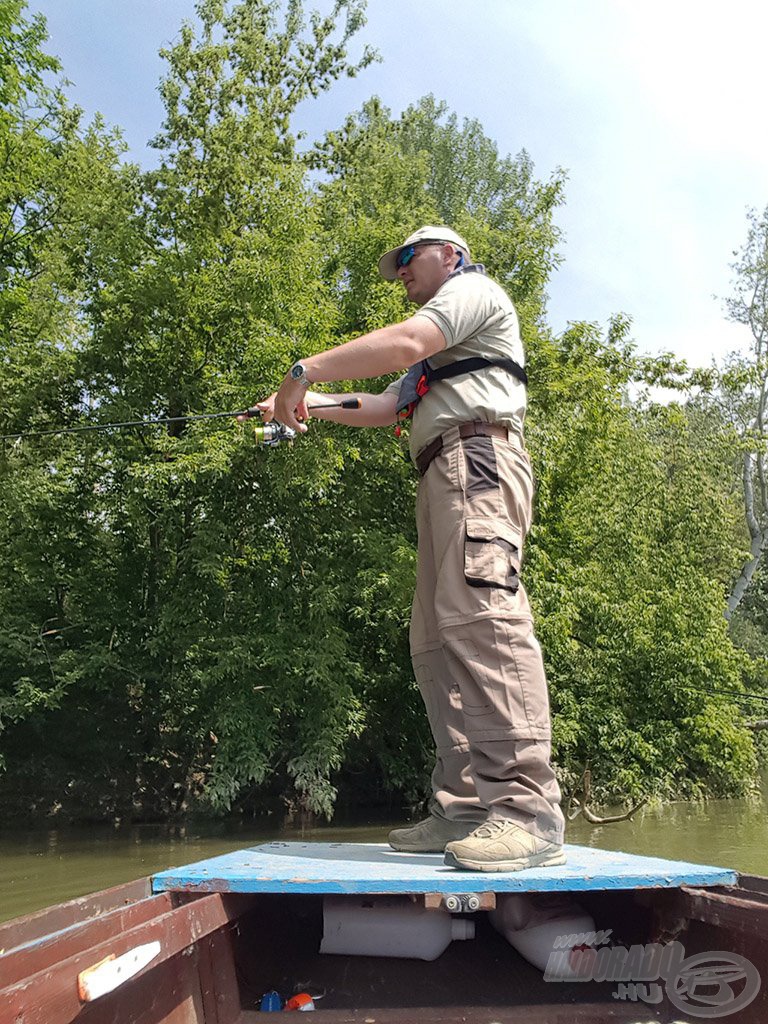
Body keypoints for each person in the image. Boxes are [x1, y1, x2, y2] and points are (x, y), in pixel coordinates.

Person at [257, 226, 565, 872]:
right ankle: (465, 806)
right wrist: (300, 402)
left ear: (449, 255)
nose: (399, 272)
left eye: (407, 259)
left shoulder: (470, 292)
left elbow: (405, 340)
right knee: (434, 640)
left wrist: (301, 370)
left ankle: (526, 809)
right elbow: (384, 404)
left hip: (476, 459)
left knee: (485, 621)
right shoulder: (433, 363)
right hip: (441, 473)